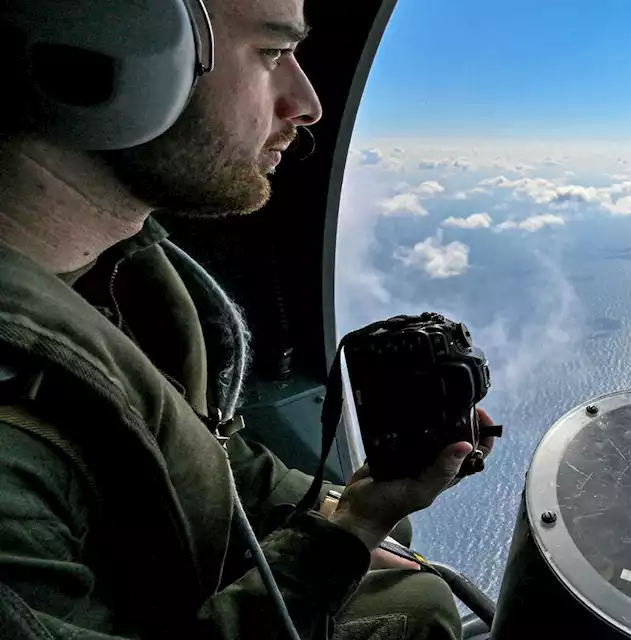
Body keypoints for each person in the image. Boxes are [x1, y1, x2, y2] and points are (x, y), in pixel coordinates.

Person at [0, 0, 495, 638]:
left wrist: (363, 506)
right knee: (417, 607)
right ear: (112, 43)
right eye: (270, 53)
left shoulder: (123, 281)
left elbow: (198, 455)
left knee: (406, 563)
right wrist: (345, 537)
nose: (309, 102)